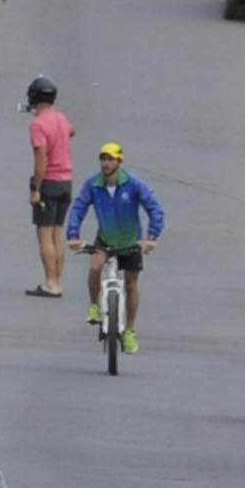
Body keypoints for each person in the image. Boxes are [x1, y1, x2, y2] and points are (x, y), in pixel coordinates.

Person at [65, 145, 166, 353]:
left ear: (120, 162)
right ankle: (94, 306)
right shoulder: (93, 185)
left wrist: (152, 237)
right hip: (106, 239)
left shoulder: (134, 184)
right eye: (103, 159)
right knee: (95, 267)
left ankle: (129, 330)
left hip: (130, 241)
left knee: (131, 284)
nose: (106, 164)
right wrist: (73, 235)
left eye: (111, 159)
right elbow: (78, 208)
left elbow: (155, 208)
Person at [23, 75, 74, 298]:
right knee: (57, 233)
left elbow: (41, 158)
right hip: (66, 181)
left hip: (50, 182)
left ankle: (50, 283)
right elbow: (72, 131)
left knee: (44, 234)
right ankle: (58, 280)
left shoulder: (38, 125)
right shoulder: (61, 119)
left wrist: (35, 187)